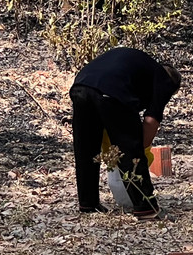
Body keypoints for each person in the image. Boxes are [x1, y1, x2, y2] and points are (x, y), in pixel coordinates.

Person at [69, 47, 181, 219]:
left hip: (81, 86)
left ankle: (88, 203)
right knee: (131, 149)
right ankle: (146, 209)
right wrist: (141, 150)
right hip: (112, 91)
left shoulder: (139, 65)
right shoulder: (165, 78)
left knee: (86, 148)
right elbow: (151, 120)